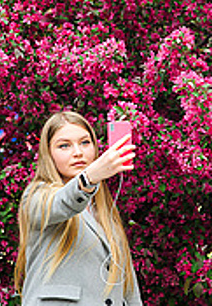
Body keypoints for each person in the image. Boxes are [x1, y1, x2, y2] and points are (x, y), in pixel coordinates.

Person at [14, 111, 143, 305]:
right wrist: (89, 178)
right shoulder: (36, 197)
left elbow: (128, 285)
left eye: (85, 142)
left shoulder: (103, 207)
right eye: (64, 145)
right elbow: (62, 203)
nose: (78, 152)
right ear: (49, 153)